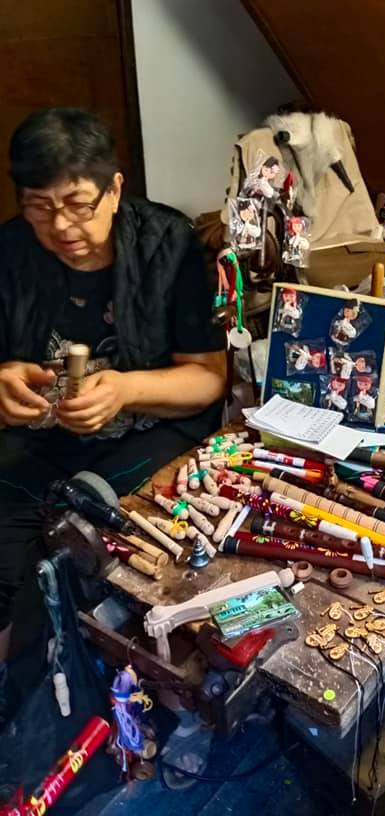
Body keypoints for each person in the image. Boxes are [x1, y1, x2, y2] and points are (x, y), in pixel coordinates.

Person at [0, 108, 226, 659]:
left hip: (147, 430)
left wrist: (125, 390)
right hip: (42, 437)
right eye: (39, 207)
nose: (60, 226)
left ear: (115, 189)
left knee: (78, 550)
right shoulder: (11, 251)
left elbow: (208, 379)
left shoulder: (167, 244)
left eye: (78, 204)